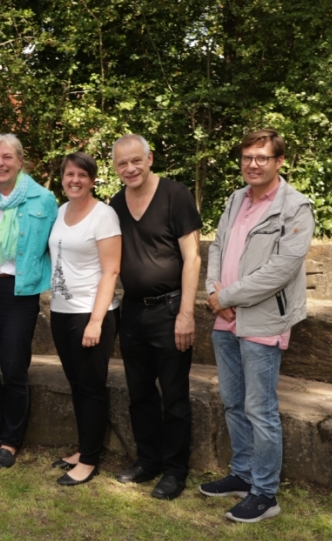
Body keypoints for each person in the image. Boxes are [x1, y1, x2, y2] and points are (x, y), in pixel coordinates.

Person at [202, 129, 314, 523]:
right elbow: (217, 247)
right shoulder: (236, 199)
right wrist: (213, 291)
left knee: (260, 409)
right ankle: (242, 475)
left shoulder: (295, 207)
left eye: (262, 157)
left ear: (279, 161)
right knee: (233, 402)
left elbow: (282, 268)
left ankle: (265, 493)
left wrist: (228, 296)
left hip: (262, 320)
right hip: (225, 318)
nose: (253, 164)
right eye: (247, 157)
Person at [110, 134, 202, 500]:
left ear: (149, 159)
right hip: (133, 311)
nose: (130, 168)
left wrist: (186, 314)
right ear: (115, 168)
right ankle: (147, 461)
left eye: (136, 160)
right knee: (140, 394)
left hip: (170, 309)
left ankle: (175, 470)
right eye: (122, 163)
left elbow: (192, 257)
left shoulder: (175, 195)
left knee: (174, 396)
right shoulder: (116, 204)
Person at [0, 133, 58, 470]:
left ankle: (9, 441)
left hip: (18, 291)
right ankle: (1, 430)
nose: (0, 163)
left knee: (14, 368)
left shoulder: (42, 198)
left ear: (20, 161)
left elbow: (56, 244)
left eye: (7, 157)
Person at [48, 152, 121, 486]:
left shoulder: (104, 215)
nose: (74, 180)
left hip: (90, 313)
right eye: (69, 174)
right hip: (61, 311)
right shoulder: (61, 210)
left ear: (92, 180)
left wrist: (96, 321)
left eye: (82, 174)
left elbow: (111, 270)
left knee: (91, 386)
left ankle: (90, 460)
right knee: (76, 384)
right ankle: (84, 448)